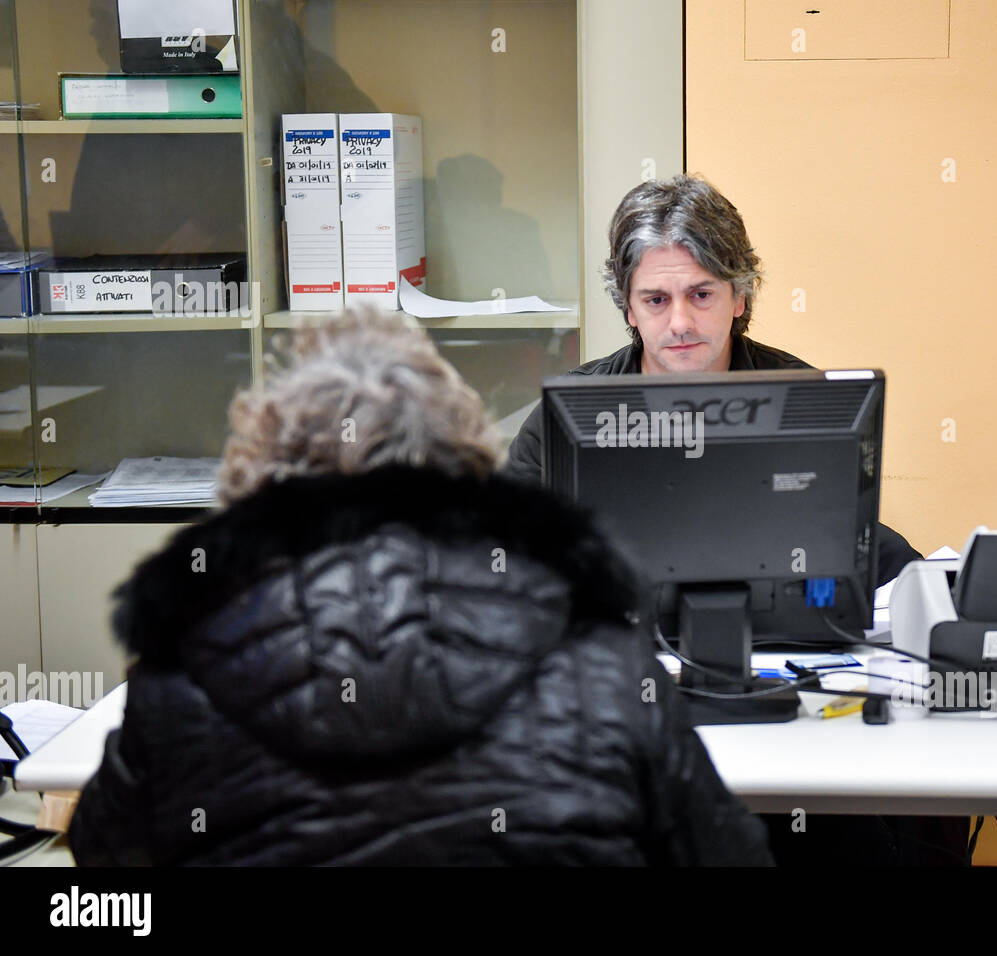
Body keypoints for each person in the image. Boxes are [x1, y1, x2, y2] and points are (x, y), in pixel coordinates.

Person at [67, 312, 773, 866]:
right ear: (465, 465)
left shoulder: (181, 683)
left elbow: (105, 860)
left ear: (262, 479)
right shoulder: (607, 666)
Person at [504, 174, 922, 583]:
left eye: (701, 295)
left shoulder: (802, 402)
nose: (680, 323)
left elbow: (862, 547)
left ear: (739, 295)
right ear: (629, 308)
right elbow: (497, 558)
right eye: (656, 300)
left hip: (769, 647)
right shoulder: (563, 419)